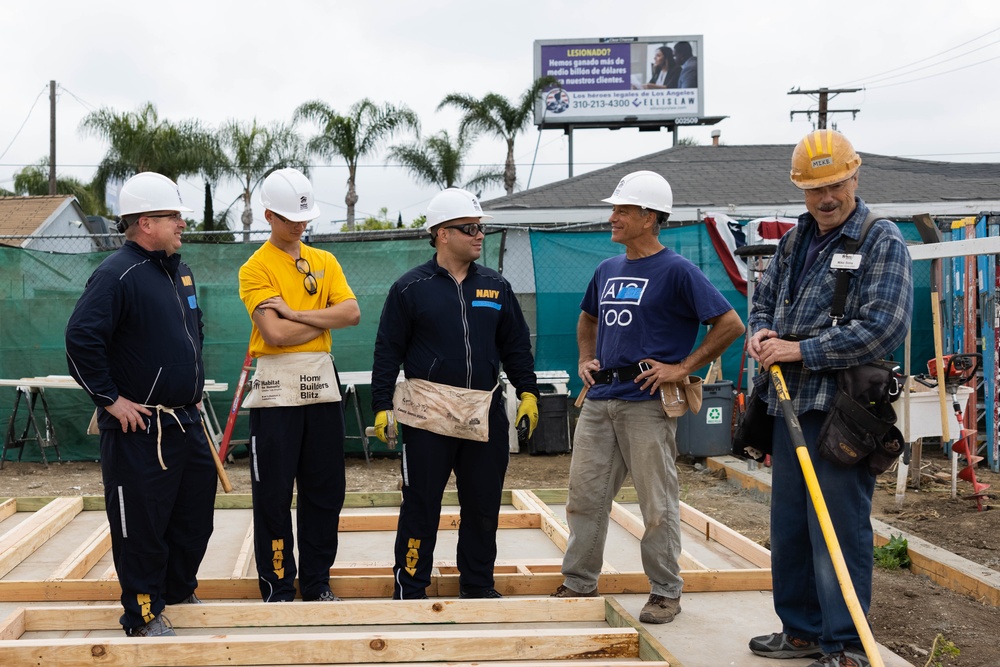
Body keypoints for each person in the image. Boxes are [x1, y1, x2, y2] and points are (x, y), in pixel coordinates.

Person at [746, 130, 913, 667]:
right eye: (815, 189)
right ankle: (801, 631)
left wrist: (799, 350)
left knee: (838, 528)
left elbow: (884, 328)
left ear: (855, 177)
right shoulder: (795, 242)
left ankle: (844, 644)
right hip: (786, 404)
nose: (826, 198)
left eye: (836, 185)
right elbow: (763, 302)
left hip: (841, 411)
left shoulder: (880, 240)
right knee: (791, 524)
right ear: (801, 189)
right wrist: (761, 334)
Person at [551, 171, 745, 624]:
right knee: (584, 496)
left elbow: (730, 324)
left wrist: (681, 368)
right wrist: (585, 358)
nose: (612, 217)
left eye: (622, 210)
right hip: (601, 400)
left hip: (647, 404)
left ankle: (665, 591)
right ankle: (579, 581)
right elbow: (587, 320)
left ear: (650, 217)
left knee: (656, 502)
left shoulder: (676, 270)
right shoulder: (608, 269)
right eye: (614, 209)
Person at [65, 172, 216, 637]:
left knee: (195, 519)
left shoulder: (180, 271)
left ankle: (174, 591)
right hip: (139, 430)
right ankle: (143, 613)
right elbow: (80, 340)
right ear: (146, 222)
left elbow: (192, 332)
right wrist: (110, 399)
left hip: (186, 420)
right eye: (174, 216)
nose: (182, 224)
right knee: (141, 528)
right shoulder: (116, 274)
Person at [370, 187, 539, 600]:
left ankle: (478, 586)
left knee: (482, 506)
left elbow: (515, 346)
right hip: (427, 413)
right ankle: (410, 586)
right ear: (442, 233)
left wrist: (529, 393)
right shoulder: (411, 288)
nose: (480, 235)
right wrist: (380, 408)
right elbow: (387, 350)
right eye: (470, 228)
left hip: (482, 410)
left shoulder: (495, 287)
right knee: (421, 505)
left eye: (482, 227)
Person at [238, 167, 360, 603]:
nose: (301, 225)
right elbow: (275, 336)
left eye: (304, 217)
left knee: (325, 488)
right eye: (291, 218)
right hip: (275, 386)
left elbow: (352, 313)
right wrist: (317, 318)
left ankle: (316, 581)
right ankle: (276, 584)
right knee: (272, 491)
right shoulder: (255, 268)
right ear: (269, 215)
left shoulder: (324, 260)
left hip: (321, 382)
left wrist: (294, 313)